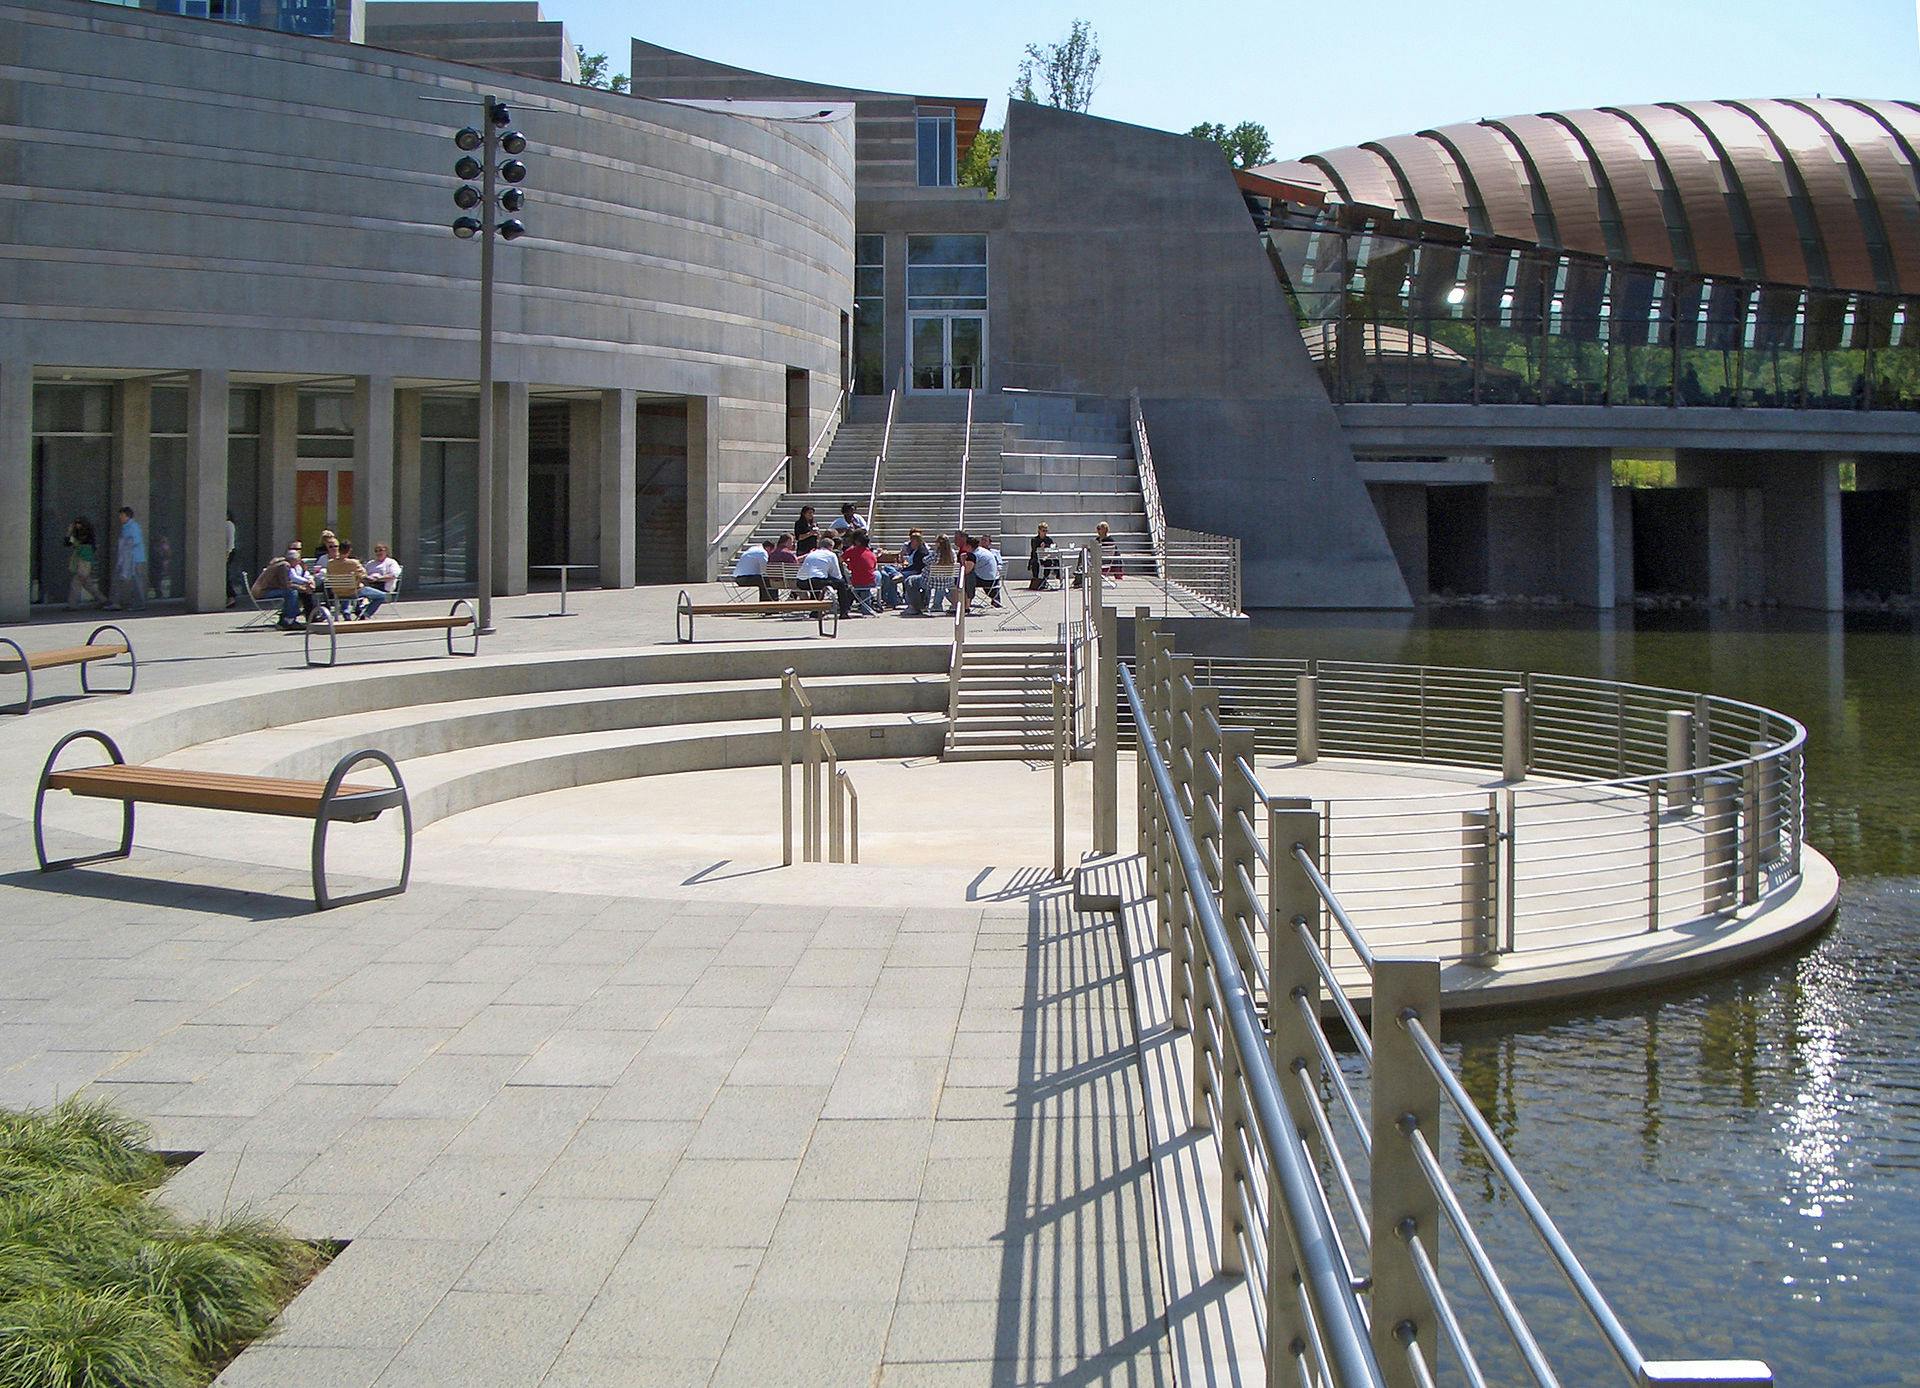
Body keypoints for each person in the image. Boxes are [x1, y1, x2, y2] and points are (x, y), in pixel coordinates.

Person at [252, 544, 315, 629]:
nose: (298, 563)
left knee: (293, 592)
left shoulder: (281, 563)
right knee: (291, 593)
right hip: (263, 592)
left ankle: (287, 617)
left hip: (264, 590)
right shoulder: (284, 566)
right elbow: (286, 585)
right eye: (297, 560)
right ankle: (289, 619)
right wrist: (301, 588)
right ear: (293, 560)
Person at [797, 535, 855, 616]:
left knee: (818, 584)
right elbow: (837, 575)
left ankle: (816, 611)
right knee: (841, 583)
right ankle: (844, 612)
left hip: (801, 581)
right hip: (816, 580)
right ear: (831, 547)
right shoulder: (831, 555)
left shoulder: (812, 553)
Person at [108, 506, 146, 611]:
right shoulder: (126, 527)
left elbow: (135, 541)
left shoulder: (133, 527)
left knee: (136, 582)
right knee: (118, 579)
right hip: (125, 559)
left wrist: (124, 544)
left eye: (122, 515)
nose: (120, 517)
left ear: (127, 516)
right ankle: (115, 602)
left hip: (134, 559)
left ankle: (139, 604)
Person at [64, 517, 106, 607]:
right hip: (80, 562)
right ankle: (103, 600)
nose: (77, 525)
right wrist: (69, 532)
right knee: (88, 584)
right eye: (76, 523)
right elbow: (67, 543)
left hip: (84, 562)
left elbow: (83, 548)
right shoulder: (77, 536)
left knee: (76, 583)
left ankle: (72, 605)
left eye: (79, 523)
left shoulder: (87, 537)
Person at [885, 529, 930, 610]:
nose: (910, 543)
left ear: (917, 541)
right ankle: (896, 574)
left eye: (912, 541)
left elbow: (917, 567)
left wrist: (904, 570)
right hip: (910, 569)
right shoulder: (914, 550)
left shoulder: (921, 552)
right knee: (887, 568)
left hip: (915, 572)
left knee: (892, 579)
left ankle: (892, 601)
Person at [841, 530, 880, 613]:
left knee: (848, 586)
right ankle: (867, 605)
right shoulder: (871, 554)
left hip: (856, 581)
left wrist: (848, 563)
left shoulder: (851, 550)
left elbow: (840, 560)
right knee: (876, 575)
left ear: (857, 542)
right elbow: (873, 567)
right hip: (870, 581)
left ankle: (848, 606)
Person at [361, 542, 402, 617]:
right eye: (376, 551)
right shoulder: (371, 563)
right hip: (369, 584)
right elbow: (363, 574)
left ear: (386, 551)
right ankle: (360, 610)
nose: (378, 553)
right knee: (356, 592)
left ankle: (365, 613)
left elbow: (394, 575)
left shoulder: (391, 562)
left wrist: (379, 578)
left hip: (383, 585)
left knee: (378, 596)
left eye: (381, 550)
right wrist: (368, 578)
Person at [965, 533, 1004, 609]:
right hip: (993, 580)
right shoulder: (983, 551)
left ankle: (967, 602)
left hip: (986, 580)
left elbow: (967, 570)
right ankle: (996, 600)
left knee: (966, 579)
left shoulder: (974, 554)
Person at [1027, 523, 1058, 590]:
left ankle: (1044, 579)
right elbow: (1034, 550)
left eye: (1046, 531)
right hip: (1037, 558)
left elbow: (1052, 548)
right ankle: (1036, 580)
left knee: (1049, 562)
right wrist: (1041, 548)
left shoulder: (1048, 540)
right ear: (1039, 531)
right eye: (1043, 531)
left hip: (1046, 558)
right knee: (1035, 563)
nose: (1045, 533)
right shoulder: (1034, 540)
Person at [225, 512, 243, 609]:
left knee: (225, 575)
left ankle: (231, 596)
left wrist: (227, 553)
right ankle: (230, 597)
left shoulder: (228, 524)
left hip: (228, 552)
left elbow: (230, 541)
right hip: (227, 552)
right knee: (225, 575)